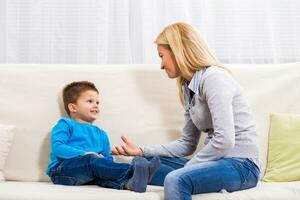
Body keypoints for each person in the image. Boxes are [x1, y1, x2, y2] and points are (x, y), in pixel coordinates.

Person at [111, 22, 260, 200]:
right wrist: (142, 151)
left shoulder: (214, 78)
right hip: (217, 162)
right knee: (140, 163)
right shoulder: (188, 87)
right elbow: (187, 143)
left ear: (178, 51)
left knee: (176, 179)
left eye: (161, 56)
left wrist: (189, 168)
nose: (161, 65)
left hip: (242, 166)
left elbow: (225, 140)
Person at [46, 81, 160, 193]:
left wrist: (103, 162)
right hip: (62, 171)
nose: (95, 105)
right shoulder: (66, 124)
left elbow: (108, 160)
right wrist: (85, 154)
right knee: (91, 161)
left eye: (97, 102)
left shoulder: (101, 134)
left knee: (103, 174)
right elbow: (58, 147)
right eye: (90, 101)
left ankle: (131, 184)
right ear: (73, 107)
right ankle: (135, 171)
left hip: (89, 174)